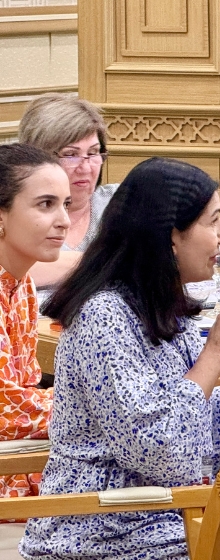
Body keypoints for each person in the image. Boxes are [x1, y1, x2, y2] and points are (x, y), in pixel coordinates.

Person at [19, 158, 220, 560]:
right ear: (170, 237)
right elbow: (162, 450)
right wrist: (217, 351)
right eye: (214, 221)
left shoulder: (166, 303)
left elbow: (180, 407)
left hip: (168, 516)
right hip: (103, 531)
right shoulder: (104, 318)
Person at [0, 144, 70, 500]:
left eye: (66, 204)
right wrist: (89, 404)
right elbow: (5, 411)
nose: (64, 220)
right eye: (46, 204)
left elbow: (24, 393)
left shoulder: (21, 282)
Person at [17, 93, 117, 287]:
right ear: (37, 156)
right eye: (71, 155)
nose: (86, 168)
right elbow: (11, 269)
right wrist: (106, 264)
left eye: (93, 153)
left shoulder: (118, 203)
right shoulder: (13, 209)